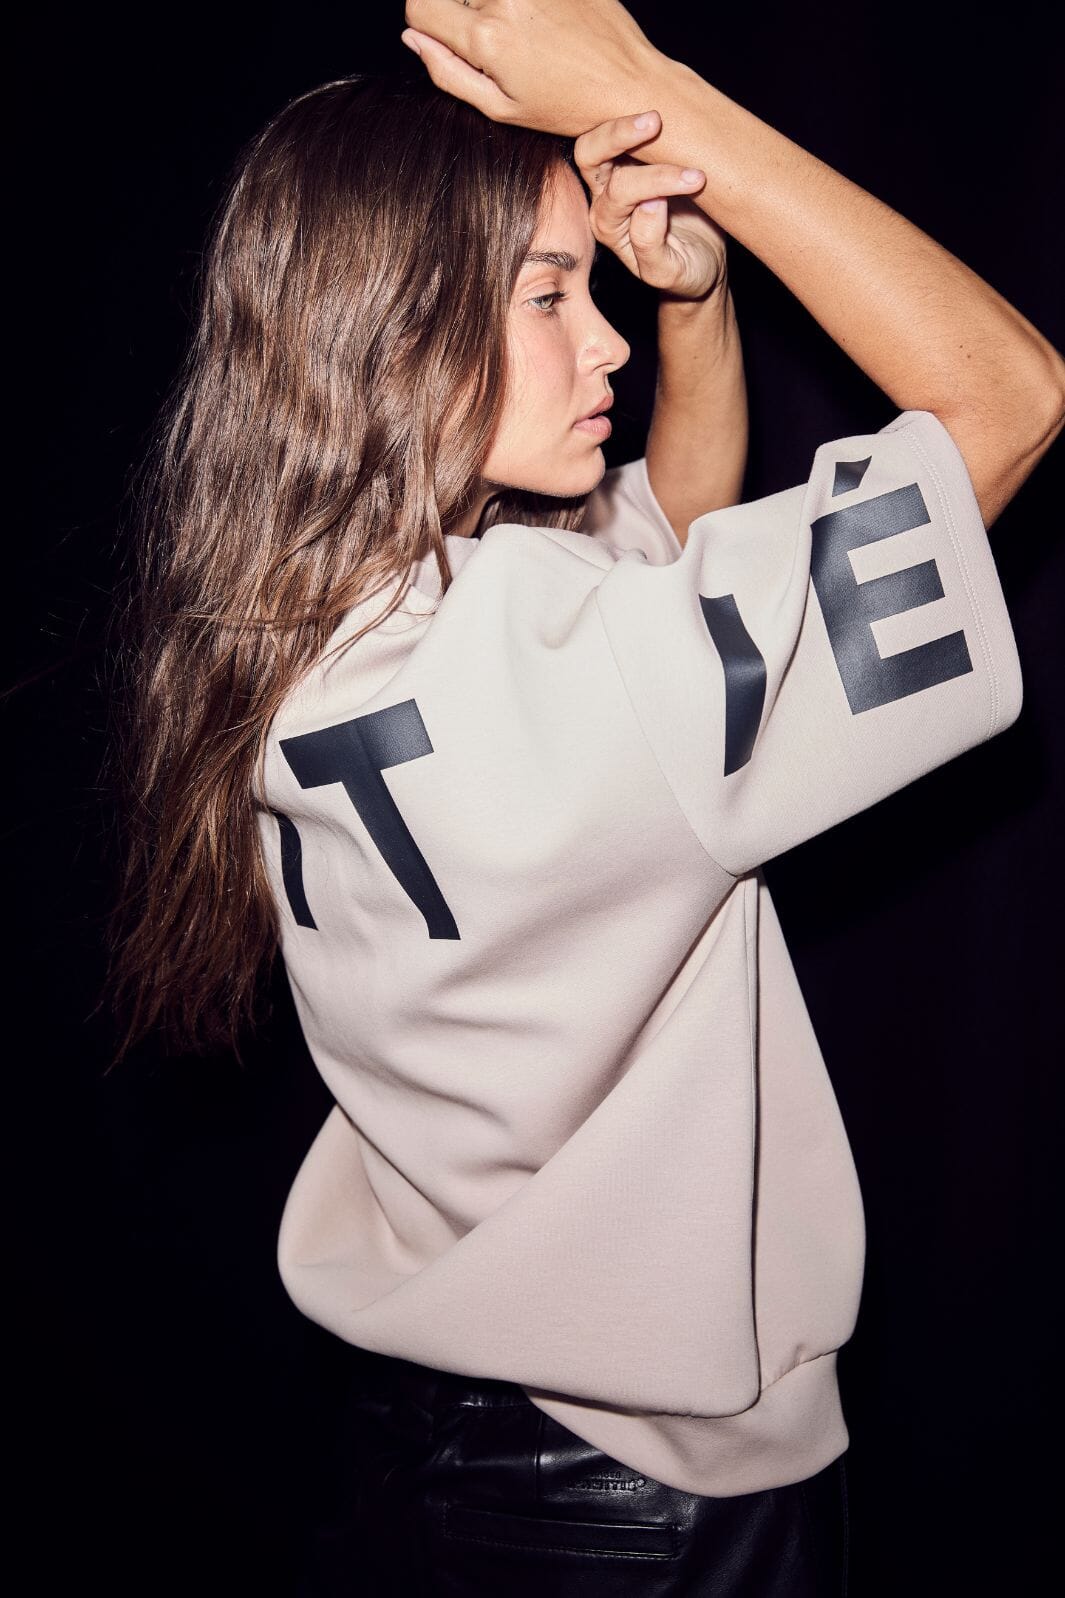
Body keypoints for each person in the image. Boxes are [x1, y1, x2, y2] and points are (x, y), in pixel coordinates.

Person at [105, 2, 1063, 1593]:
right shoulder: (569, 668)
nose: (603, 336)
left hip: (418, 1446)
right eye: (549, 293)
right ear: (392, 328)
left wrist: (696, 304)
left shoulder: (296, 629)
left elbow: (669, 538)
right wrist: (657, 98)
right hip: (645, 1511)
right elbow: (1008, 393)